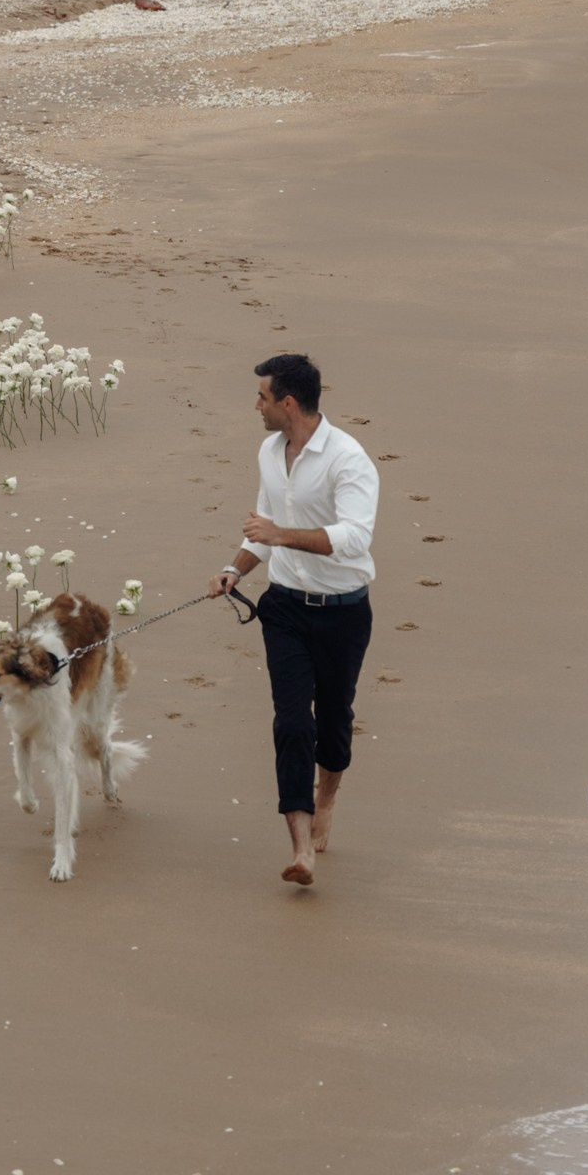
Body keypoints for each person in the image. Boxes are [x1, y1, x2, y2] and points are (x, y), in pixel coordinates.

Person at [207, 352, 378, 889]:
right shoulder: (269, 450)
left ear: (288, 403)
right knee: (292, 722)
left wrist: (280, 535)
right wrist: (235, 569)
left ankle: (328, 795)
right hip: (283, 607)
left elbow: (355, 536)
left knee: (333, 720)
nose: (254, 406)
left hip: (343, 610)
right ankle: (301, 849)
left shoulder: (349, 460)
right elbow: (263, 521)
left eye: (261, 397)